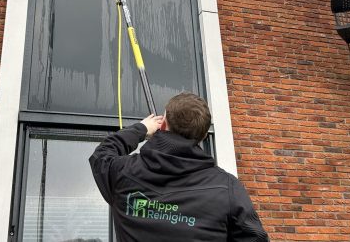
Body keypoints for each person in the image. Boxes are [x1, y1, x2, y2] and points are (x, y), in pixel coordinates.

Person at [89, 92, 269, 241]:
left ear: (163, 124)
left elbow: (102, 155)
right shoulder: (227, 187)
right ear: (204, 136)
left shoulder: (124, 173)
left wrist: (142, 128)